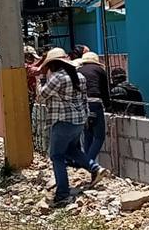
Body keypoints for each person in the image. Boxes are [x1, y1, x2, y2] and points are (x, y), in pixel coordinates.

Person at [35, 47, 111, 207]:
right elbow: (84, 99)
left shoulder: (57, 78)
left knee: (56, 156)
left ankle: (62, 193)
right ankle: (94, 168)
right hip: (78, 121)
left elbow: (41, 97)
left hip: (62, 122)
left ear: (54, 64)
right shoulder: (80, 76)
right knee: (71, 150)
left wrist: (42, 80)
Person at [78, 52, 112, 162]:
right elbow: (105, 91)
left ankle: (89, 167)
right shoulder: (100, 71)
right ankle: (89, 162)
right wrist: (108, 106)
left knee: (87, 135)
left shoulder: (78, 71)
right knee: (99, 136)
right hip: (94, 103)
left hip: (81, 104)